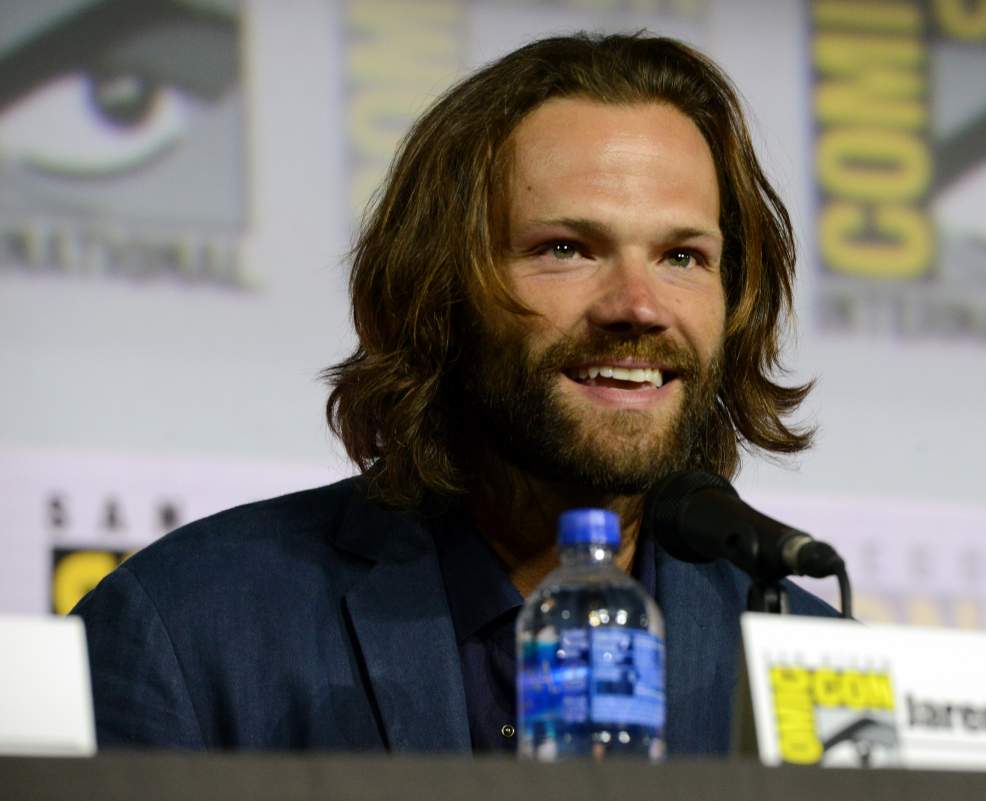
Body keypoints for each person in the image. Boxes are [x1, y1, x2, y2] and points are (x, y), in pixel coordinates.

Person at [73, 31, 837, 754]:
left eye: (682, 255)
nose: (638, 304)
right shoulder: (188, 628)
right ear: (436, 292)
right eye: (566, 249)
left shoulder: (811, 663)